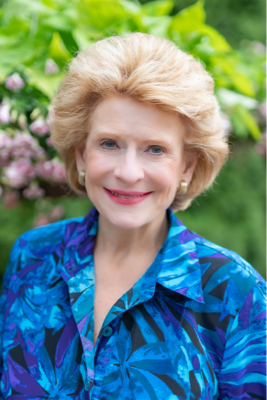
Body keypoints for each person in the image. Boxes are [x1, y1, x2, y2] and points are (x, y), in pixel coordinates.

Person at [0, 33, 265, 400]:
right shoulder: (32, 256)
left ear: (186, 166)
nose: (128, 172)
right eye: (109, 144)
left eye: (155, 150)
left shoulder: (235, 292)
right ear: (80, 153)